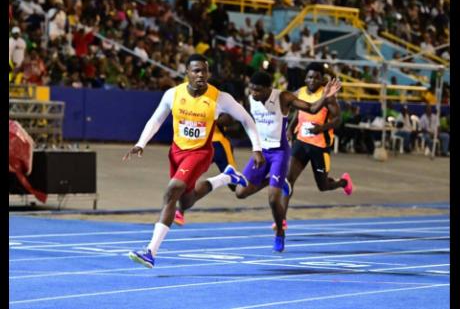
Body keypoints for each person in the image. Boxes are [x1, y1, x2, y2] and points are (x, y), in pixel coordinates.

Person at [124, 54, 265, 268]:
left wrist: (256, 147)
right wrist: (141, 143)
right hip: (177, 152)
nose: (201, 75)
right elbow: (156, 119)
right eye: (196, 71)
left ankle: (150, 251)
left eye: (204, 71)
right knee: (185, 201)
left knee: (172, 191)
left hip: (200, 153)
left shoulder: (220, 98)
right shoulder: (173, 94)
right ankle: (225, 177)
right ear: (187, 73)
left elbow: (246, 119)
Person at [178, 70, 341, 253]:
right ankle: (279, 181)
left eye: (258, 90)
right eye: (252, 89)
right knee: (240, 193)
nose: (254, 93)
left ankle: (279, 232)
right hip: (261, 151)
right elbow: (244, 121)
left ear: (268, 89)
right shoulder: (251, 99)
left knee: (273, 198)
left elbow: (311, 108)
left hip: (279, 152)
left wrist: (325, 96)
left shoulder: (283, 98)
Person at [282, 62, 353, 225]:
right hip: (301, 143)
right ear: (305, 78)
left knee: (323, 185)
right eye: (309, 77)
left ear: (322, 79)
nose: (312, 80)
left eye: (316, 77)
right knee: (288, 179)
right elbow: (299, 113)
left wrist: (321, 128)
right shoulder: (299, 92)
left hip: (319, 147)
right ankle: (282, 219)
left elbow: (338, 120)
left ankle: (343, 182)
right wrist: (290, 129)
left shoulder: (328, 96)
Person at [173, 113, 238, 226]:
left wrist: (211, 118)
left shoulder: (220, 98)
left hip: (218, 144)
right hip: (199, 144)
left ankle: (272, 181)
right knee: (186, 178)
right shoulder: (184, 99)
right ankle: (179, 211)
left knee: (236, 186)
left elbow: (229, 118)